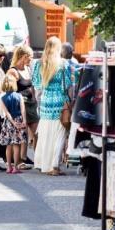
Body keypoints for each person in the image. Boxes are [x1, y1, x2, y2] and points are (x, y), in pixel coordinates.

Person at [32, 36, 74, 175]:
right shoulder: (63, 64)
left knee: (45, 134)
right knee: (60, 135)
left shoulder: (39, 64)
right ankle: (54, 166)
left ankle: (42, 163)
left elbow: (37, 85)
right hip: (60, 102)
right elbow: (67, 85)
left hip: (45, 102)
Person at [9, 45, 37, 169]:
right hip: (20, 105)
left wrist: (35, 98)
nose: (30, 60)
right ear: (23, 57)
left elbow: (31, 86)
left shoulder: (28, 69)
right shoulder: (13, 71)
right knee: (22, 133)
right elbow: (10, 90)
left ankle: (39, 158)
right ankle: (20, 161)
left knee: (36, 133)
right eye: (29, 58)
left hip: (31, 104)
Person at [0, 74, 28, 174]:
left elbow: (7, 113)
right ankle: (15, 167)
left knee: (8, 145)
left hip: (8, 123)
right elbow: (23, 110)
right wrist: (23, 121)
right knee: (16, 145)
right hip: (19, 120)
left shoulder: (2, 98)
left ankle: (8, 167)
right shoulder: (19, 96)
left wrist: (12, 122)